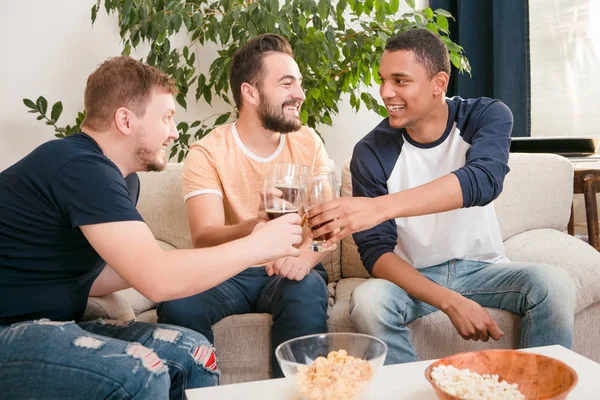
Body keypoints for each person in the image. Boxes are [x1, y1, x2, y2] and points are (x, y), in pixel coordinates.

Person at [0, 56, 304, 399]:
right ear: (125, 120)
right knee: (141, 373)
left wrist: (201, 256)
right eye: (166, 118)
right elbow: (157, 281)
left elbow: (100, 277)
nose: (174, 132)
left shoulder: (123, 180)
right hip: (11, 331)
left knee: (193, 352)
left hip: (49, 328)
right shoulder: (80, 167)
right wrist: (258, 246)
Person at [306, 28, 576, 364]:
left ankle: (537, 385)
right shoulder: (370, 152)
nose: (385, 92)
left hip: (484, 269)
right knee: (369, 302)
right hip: (414, 277)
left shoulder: (485, 116)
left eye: (400, 80)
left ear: (439, 83)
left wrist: (379, 208)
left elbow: (483, 181)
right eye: (383, 79)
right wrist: (449, 300)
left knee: (556, 284)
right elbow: (376, 254)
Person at [157, 34, 331, 378]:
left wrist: (304, 258)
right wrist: (255, 227)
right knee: (179, 305)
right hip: (228, 270)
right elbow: (205, 237)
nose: (300, 93)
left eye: (299, 82)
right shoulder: (207, 152)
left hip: (289, 267)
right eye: (286, 83)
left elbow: (327, 227)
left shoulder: (308, 143)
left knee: (307, 290)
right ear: (250, 93)